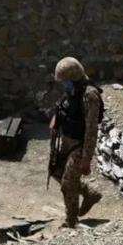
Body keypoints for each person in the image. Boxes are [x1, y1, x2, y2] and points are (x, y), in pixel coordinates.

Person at [50, 57, 103, 229]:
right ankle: (89, 192)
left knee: (68, 184)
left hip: (79, 145)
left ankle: (71, 221)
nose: (63, 85)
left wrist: (86, 158)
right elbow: (66, 107)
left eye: (65, 81)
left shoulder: (90, 95)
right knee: (56, 172)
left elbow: (91, 129)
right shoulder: (74, 90)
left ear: (73, 78)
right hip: (67, 141)